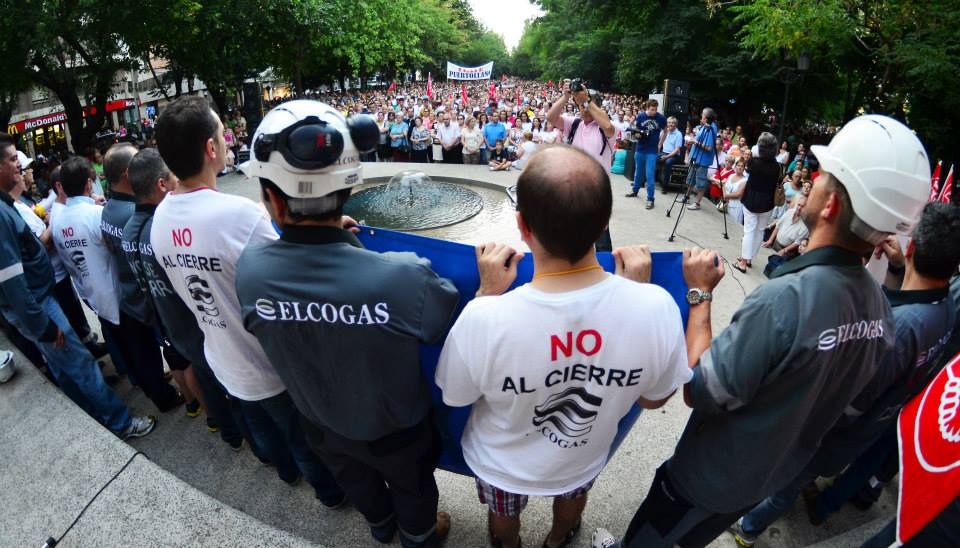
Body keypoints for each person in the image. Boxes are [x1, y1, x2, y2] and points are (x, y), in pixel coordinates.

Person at [591, 114, 931, 548]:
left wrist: (699, 294)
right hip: (769, 473)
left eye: (822, 176)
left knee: (655, 536)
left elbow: (700, 389)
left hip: (709, 476)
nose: (809, 184)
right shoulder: (880, 308)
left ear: (830, 206)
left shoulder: (785, 300)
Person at [437, 145, 690, 548]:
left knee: (503, 516)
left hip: (501, 465)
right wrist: (635, 295)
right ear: (605, 222)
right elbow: (655, 399)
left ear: (521, 226)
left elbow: (455, 395)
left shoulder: (484, 317)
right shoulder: (655, 305)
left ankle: (509, 544)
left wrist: (485, 293)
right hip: (581, 459)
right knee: (573, 498)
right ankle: (559, 540)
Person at [236, 100, 455, 547]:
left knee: (359, 485)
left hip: (321, 424)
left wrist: (338, 244)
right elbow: (446, 320)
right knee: (414, 490)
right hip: (397, 431)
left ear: (273, 200)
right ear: (349, 187)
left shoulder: (250, 270)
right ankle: (419, 536)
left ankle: (379, 527)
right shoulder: (401, 275)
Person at [151, 95, 344, 505]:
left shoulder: (160, 220)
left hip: (222, 358)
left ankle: (284, 473)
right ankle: (327, 493)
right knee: (299, 436)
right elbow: (291, 272)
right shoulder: (239, 215)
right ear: (210, 149)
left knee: (262, 429)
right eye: (223, 133)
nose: (228, 139)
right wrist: (328, 230)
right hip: (267, 363)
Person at [733, 202, 960, 546]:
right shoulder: (943, 309)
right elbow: (905, 303)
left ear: (912, 245)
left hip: (832, 430)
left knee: (785, 483)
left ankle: (748, 529)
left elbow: (854, 397)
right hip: (865, 430)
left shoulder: (901, 329)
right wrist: (898, 268)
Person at [0, 133, 154, 439]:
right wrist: (43, 325)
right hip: (38, 305)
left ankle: (91, 413)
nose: (19, 165)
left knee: (63, 367)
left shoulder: (16, 208)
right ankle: (120, 422)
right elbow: (11, 280)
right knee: (79, 363)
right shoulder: (4, 215)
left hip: (42, 301)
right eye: (13, 159)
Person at [122, 148, 248, 442]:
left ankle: (226, 431)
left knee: (201, 374)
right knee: (219, 381)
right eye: (173, 177)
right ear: (161, 184)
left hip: (165, 319)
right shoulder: (159, 228)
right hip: (189, 320)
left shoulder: (130, 228)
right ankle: (236, 431)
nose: (178, 182)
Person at [100, 143, 184, 412]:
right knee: (158, 352)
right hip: (147, 295)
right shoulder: (133, 215)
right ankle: (165, 396)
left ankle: (157, 385)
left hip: (130, 294)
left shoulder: (109, 208)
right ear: (128, 173)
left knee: (146, 354)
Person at [733, 133, 780, 273]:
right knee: (759, 231)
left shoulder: (754, 163)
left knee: (749, 230)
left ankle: (743, 261)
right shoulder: (777, 166)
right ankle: (749, 258)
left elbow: (750, 164)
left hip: (752, 199)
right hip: (767, 202)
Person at [546, 80, 616, 171]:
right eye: (582, 105)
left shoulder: (608, 125)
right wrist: (565, 97)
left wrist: (586, 100)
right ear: (578, 107)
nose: (586, 109)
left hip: (597, 182)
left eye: (589, 106)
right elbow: (551, 118)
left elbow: (608, 127)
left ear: (598, 107)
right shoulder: (575, 123)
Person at [626, 100, 666, 209]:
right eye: (652, 109)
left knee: (649, 175)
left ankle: (650, 199)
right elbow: (636, 131)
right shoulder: (641, 116)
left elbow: (665, 131)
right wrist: (637, 135)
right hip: (640, 148)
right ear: (647, 108)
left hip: (652, 151)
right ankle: (635, 190)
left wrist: (660, 144)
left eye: (656, 109)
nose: (654, 112)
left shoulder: (661, 118)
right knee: (638, 172)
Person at [685, 108, 719, 210]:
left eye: (703, 115)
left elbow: (709, 148)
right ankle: (686, 197)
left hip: (702, 160)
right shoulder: (705, 126)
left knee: (700, 183)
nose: (701, 116)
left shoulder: (711, 129)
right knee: (690, 178)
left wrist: (695, 142)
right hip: (696, 157)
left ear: (707, 117)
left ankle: (697, 203)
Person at [658, 116, 685, 195]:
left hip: (674, 155)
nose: (671, 124)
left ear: (676, 124)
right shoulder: (664, 131)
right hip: (664, 152)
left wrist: (666, 157)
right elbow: (659, 143)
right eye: (669, 123)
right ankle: (643, 182)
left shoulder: (678, 134)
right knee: (651, 158)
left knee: (667, 162)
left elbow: (677, 150)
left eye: (673, 123)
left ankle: (664, 187)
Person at [721, 157, 747, 225]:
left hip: (736, 208)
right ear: (735, 166)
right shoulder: (731, 175)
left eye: (742, 166)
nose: (740, 167)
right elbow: (724, 186)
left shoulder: (745, 180)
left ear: (744, 168)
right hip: (725, 204)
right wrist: (724, 196)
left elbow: (738, 194)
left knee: (734, 226)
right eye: (738, 165)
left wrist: (726, 196)